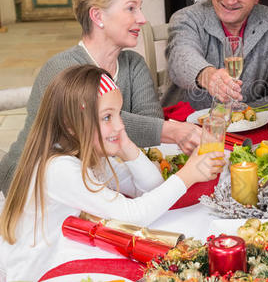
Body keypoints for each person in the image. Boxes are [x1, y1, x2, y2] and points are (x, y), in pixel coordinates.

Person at [0, 65, 225, 281]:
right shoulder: (58, 169)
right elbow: (131, 214)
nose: (119, 125)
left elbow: (152, 187)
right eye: (108, 117)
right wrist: (188, 175)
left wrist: (126, 145)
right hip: (39, 269)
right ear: (71, 125)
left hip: (69, 250)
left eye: (119, 114)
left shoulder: (90, 153)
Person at [0, 0, 202, 195]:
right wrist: (172, 129)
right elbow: (93, 121)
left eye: (140, 8)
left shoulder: (133, 63)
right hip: (33, 182)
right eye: (131, 8)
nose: (142, 19)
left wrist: (158, 131)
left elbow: (148, 126)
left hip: (100, 176)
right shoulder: (63, 69)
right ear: (97, 16)